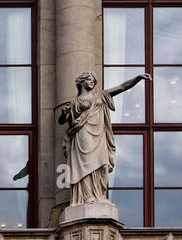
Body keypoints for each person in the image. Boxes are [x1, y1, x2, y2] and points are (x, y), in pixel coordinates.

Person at [59, 70, 149, 206]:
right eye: (89, 79)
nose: (92, 82)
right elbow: (61, 121)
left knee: (101, 164)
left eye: (93, 81)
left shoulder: (101, 95)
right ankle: (86, 196)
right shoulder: (74, 103)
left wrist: (137, 78)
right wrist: (63, 113)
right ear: (81, 82)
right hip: (82, 135)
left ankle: (98, 195)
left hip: (99, 135)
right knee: (85, 164)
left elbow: (121, 87)